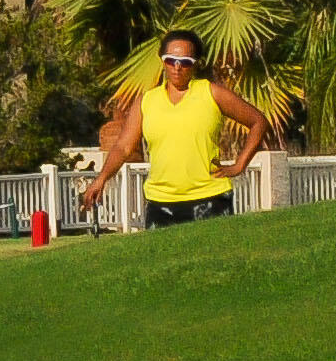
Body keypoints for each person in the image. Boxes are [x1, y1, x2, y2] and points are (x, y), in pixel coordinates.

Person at [81, 29, 269, 227]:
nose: (177, 67)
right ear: (162, 61)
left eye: (185, 61)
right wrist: (101, 179)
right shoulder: (146, 101)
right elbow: (123, 147)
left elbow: (258, 121)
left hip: (210, 199)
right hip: (161, 204)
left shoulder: (211, 93)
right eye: (171, 60)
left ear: (195, 64)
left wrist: (239, 165)